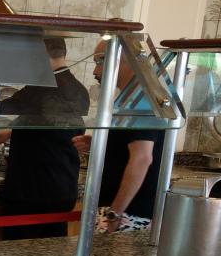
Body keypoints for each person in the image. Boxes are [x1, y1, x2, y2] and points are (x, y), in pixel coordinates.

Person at [0, 37, 90, 240]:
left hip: (33, 190)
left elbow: (2, 109)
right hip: (63, 187)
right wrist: (13, 131)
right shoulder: (79, 90)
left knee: (18, 251)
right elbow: (53, 127)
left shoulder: (42, 89)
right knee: (52, 251)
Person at [71, 42, 166, 234]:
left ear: (123, 59)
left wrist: (114, 213)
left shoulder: (140, 100)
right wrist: (102, 144)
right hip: (123, 211)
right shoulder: (132, 98)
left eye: (100, 61)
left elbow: (142, 159)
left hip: (128, 215)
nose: (95, 70)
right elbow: (133, 146)